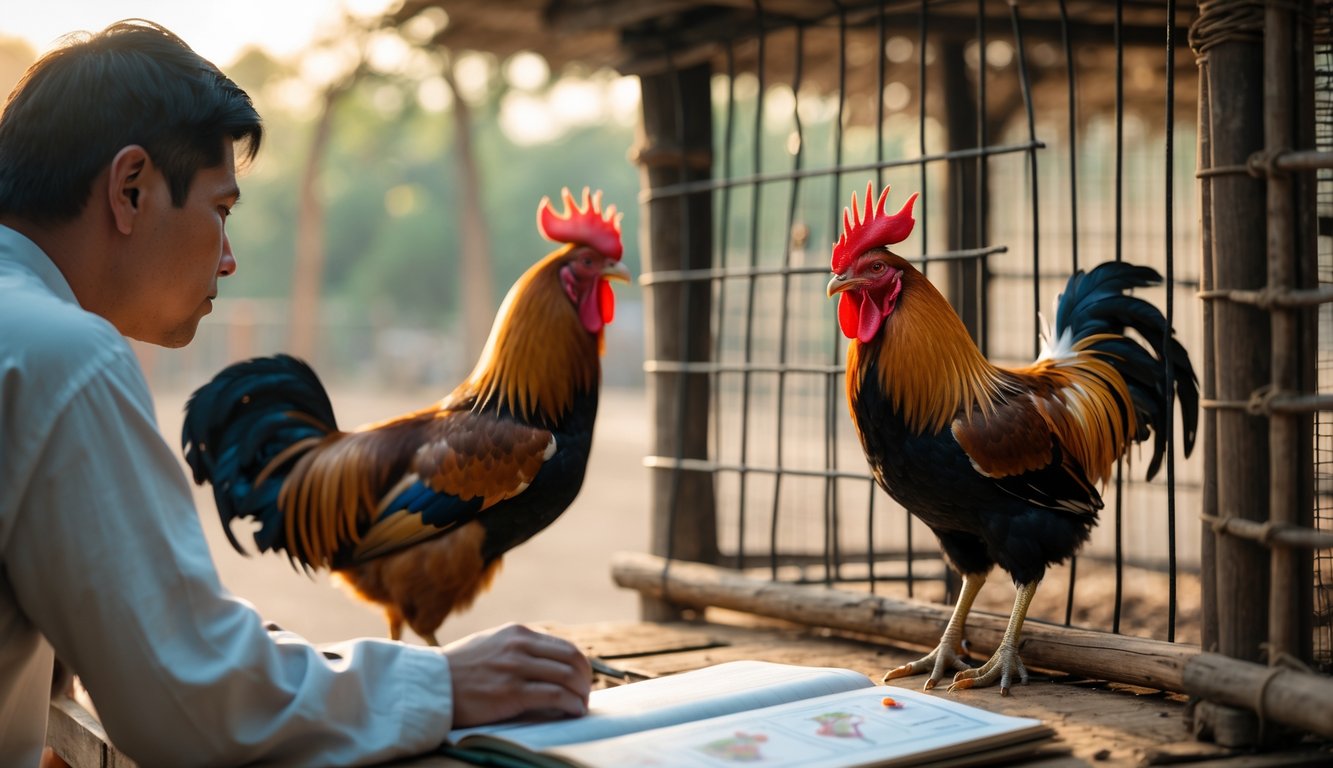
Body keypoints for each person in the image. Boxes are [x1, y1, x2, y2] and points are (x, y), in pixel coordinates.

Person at [0, 19, 591, 767]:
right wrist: (443, 683)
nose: (229, 259)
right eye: (220, 211)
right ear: (131, 188)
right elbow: (186, 699)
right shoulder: (64, 357)